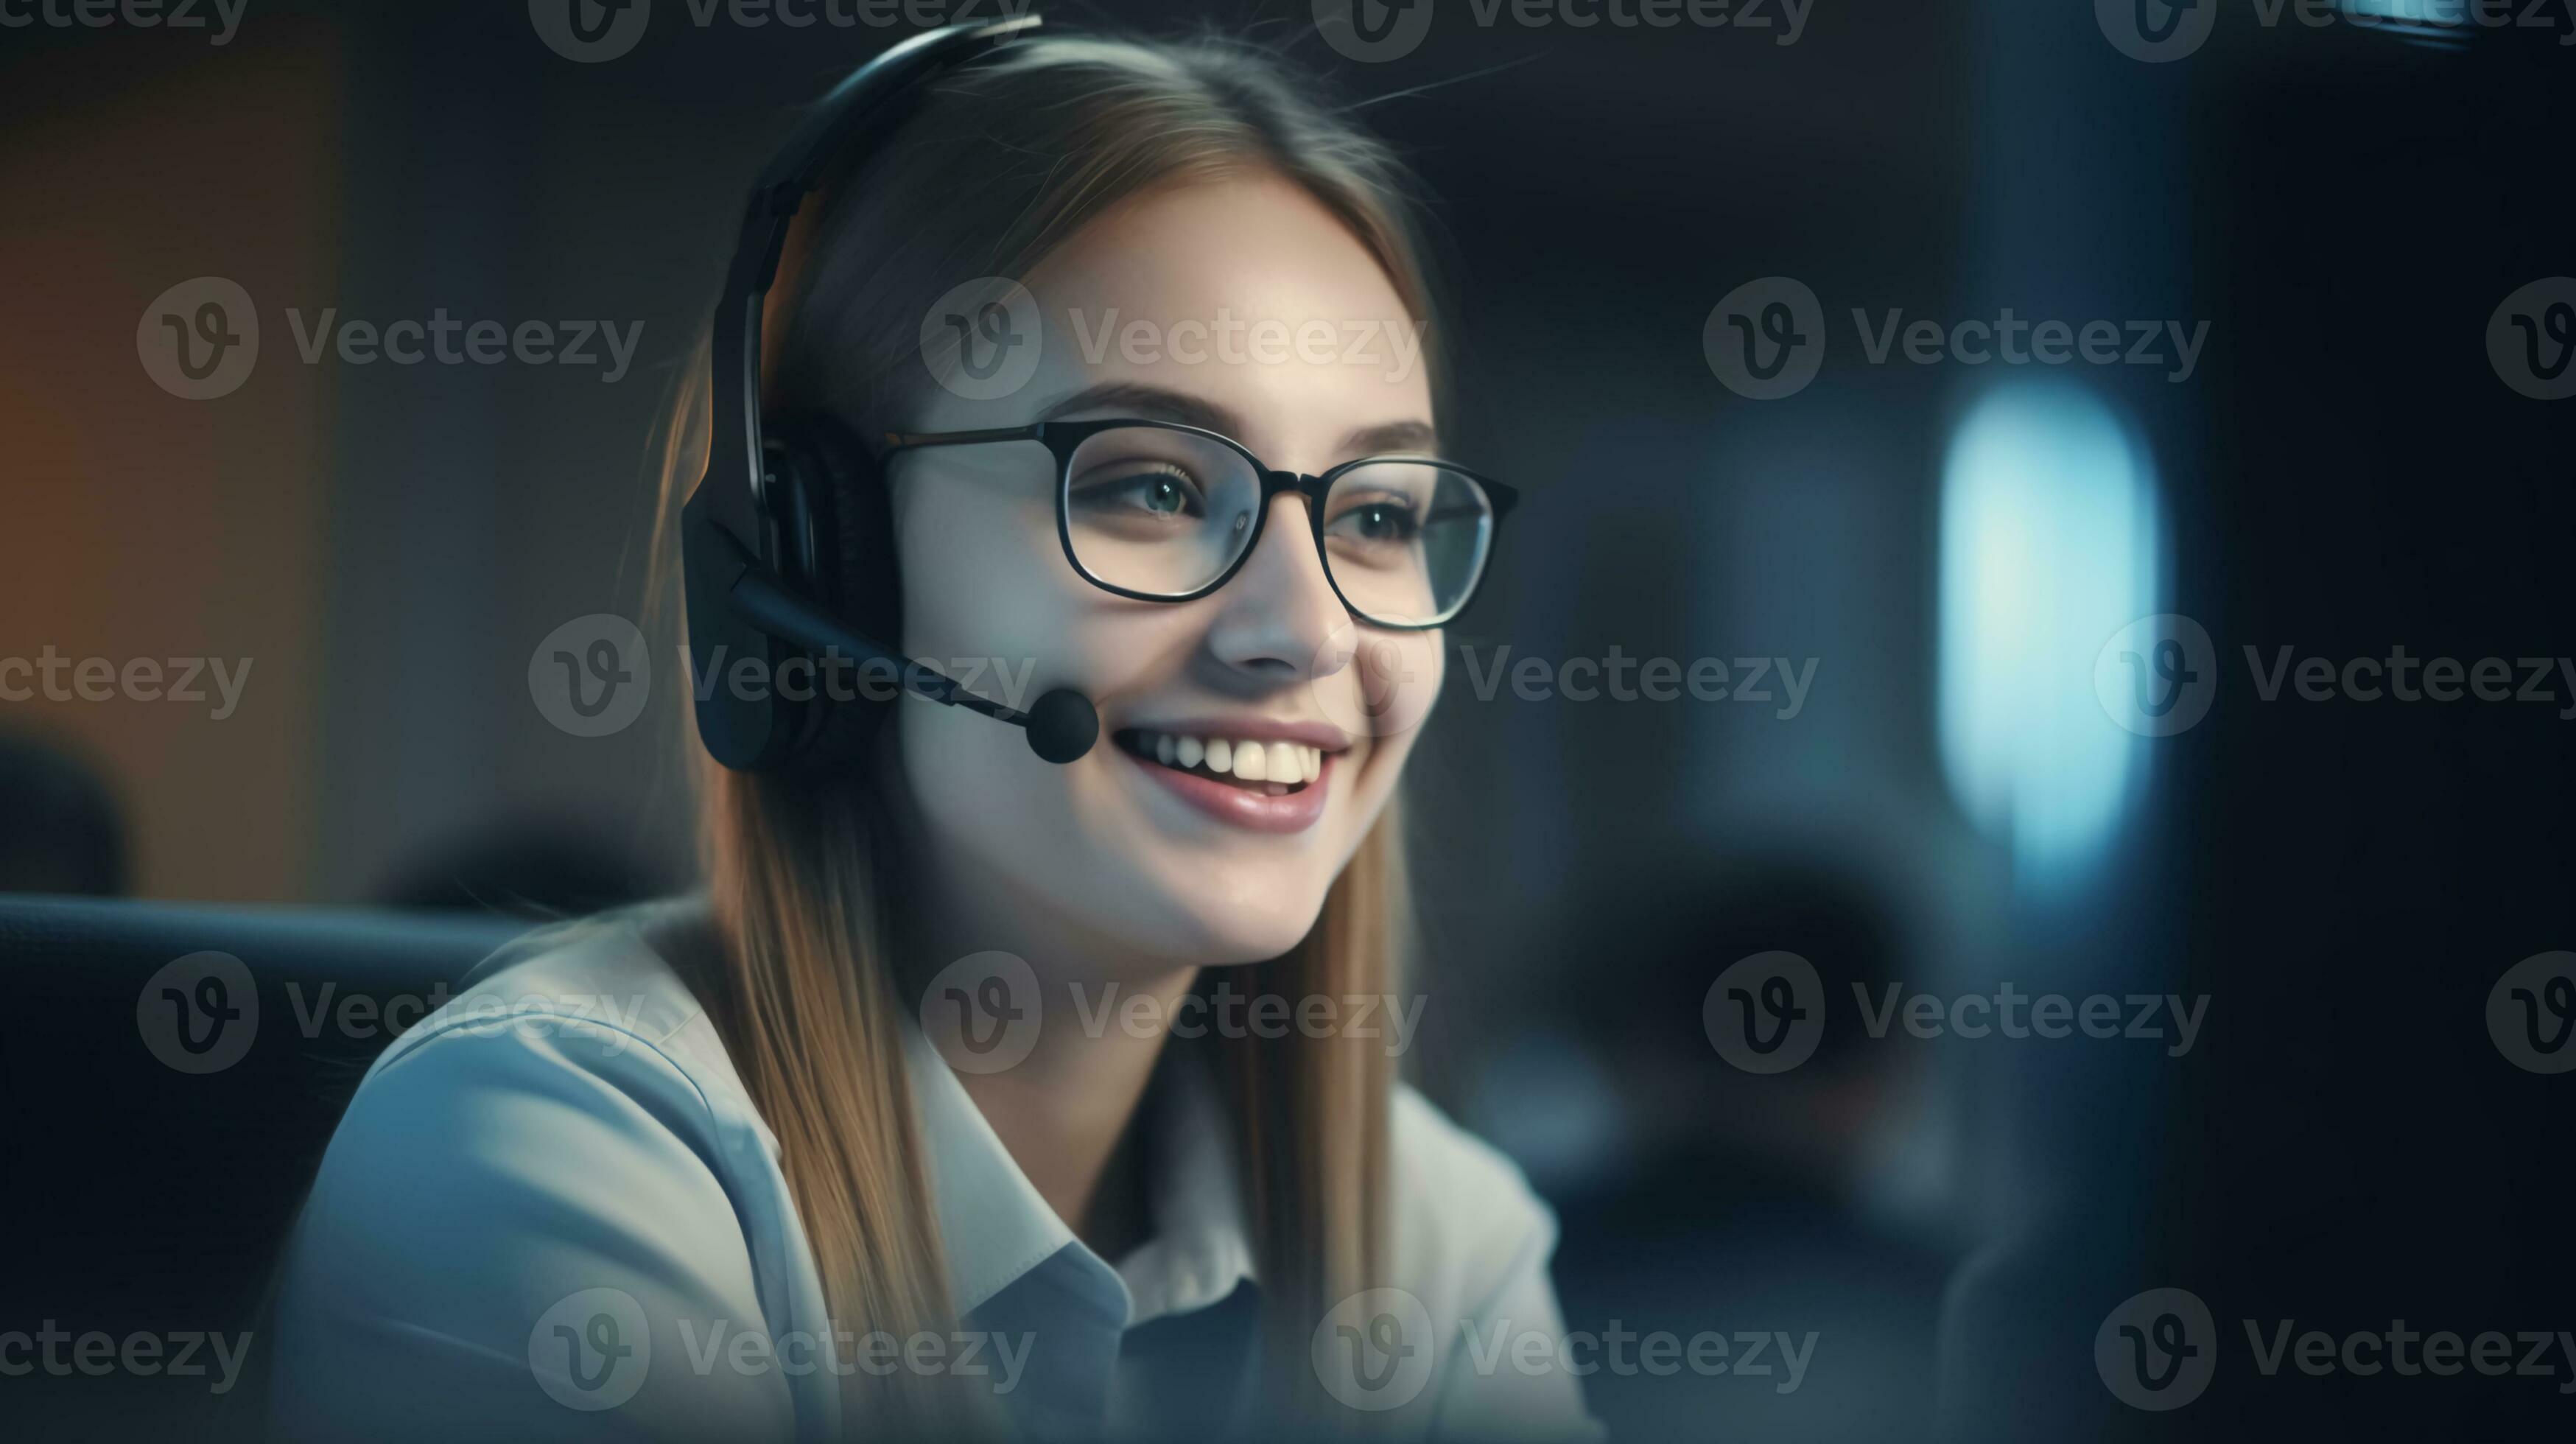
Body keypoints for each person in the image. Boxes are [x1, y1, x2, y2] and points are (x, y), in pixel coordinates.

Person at [270, 25, 1595, 1443]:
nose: (1308, 631)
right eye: (1146, 485)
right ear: (820, 559)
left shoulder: (1437, 1239)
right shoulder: (539, 1148)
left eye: (1377, 515)